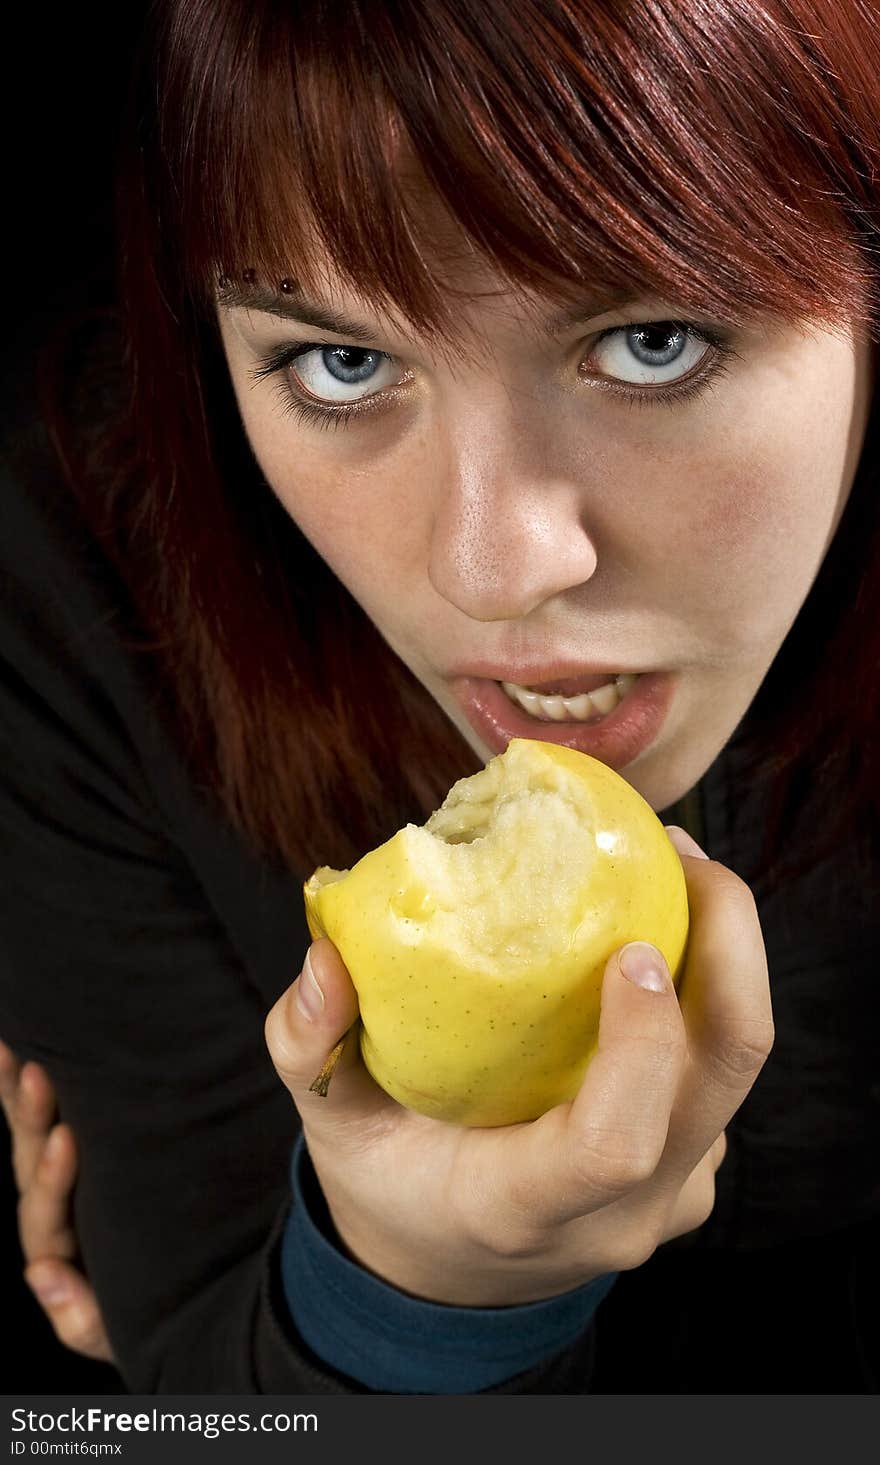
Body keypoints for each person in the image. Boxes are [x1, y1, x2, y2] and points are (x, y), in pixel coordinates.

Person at [1, 0, 878, 1395]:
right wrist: (409, 1305)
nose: (495, 570)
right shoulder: (79, 582)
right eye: (340, 362)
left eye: (655, 341)